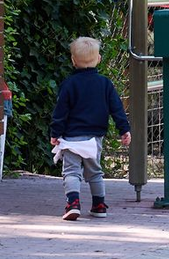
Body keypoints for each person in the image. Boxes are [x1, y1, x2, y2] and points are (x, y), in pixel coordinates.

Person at [50, 37, 131, 221]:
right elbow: (117, 108)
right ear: (99, 59)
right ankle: (99, 204)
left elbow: (60, 112)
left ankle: (73, 203)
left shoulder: (69, 84)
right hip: (94, 138)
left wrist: (55, 133)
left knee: (71, 171)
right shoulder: (105, 84)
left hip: (71, 137)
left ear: (73, 61)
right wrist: (124, 129)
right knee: (95, 172)